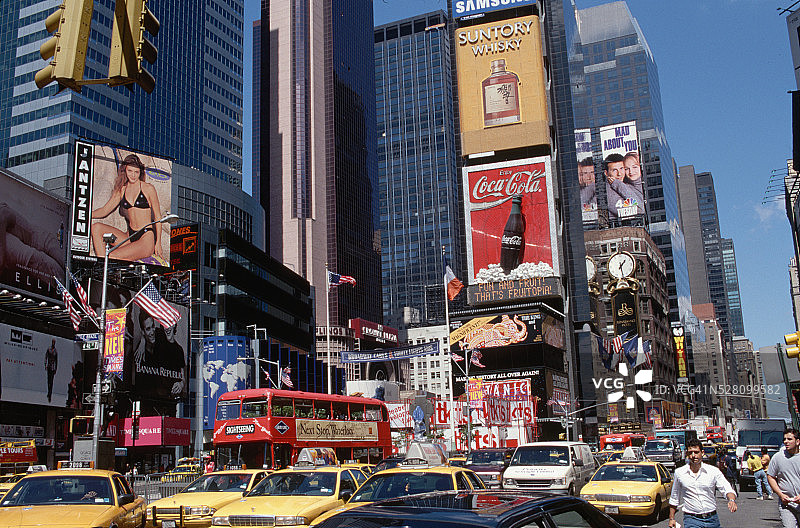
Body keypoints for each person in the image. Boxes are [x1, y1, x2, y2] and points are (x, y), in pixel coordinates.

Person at [90, 153, 164, 262]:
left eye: (136, 172)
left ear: (140, 172)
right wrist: (85, 213)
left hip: (146, 238)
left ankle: (105, 266)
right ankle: (102, 265)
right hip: (129, 237)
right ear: (125, 170)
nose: (133, 175)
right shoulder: (122, 190)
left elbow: (158, 217)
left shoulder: (148, 188)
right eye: (130, 171)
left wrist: (158, 243)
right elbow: (104, 211)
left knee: (112, 255)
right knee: (96, 227)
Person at [669, 438, 737, 528]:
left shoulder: (713, 471)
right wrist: (672, 519)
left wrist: (731, 500)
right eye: (690, 452)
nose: (693, 455)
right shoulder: (680, 473)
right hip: (691, 519)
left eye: (696, 452)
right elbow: (674, 497)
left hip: (712, 519)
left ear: (702, 453)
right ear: (687, 454)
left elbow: (726, 488)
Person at [768, 429, 800, 527]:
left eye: (789, 439)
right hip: (787, 504)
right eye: (784, 439)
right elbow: (771, 476)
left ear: (797, 441)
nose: (786, 441)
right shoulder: (778, 457)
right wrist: (780, 494)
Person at [604, 153, 644, 220]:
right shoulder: (608, 191)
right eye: (614, 170)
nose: (619, 174)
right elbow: (642, 210)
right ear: (606, 173)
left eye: (622, 168)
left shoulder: (627, 185)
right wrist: (618, 184)